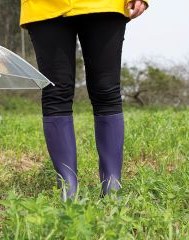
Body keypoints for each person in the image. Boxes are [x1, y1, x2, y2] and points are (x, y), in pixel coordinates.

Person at [20, 0, 148, 199]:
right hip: (45, 6)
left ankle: (112, 186)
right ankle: (67, 189)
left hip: (105, 5)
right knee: (56, 92)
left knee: (107, 91)